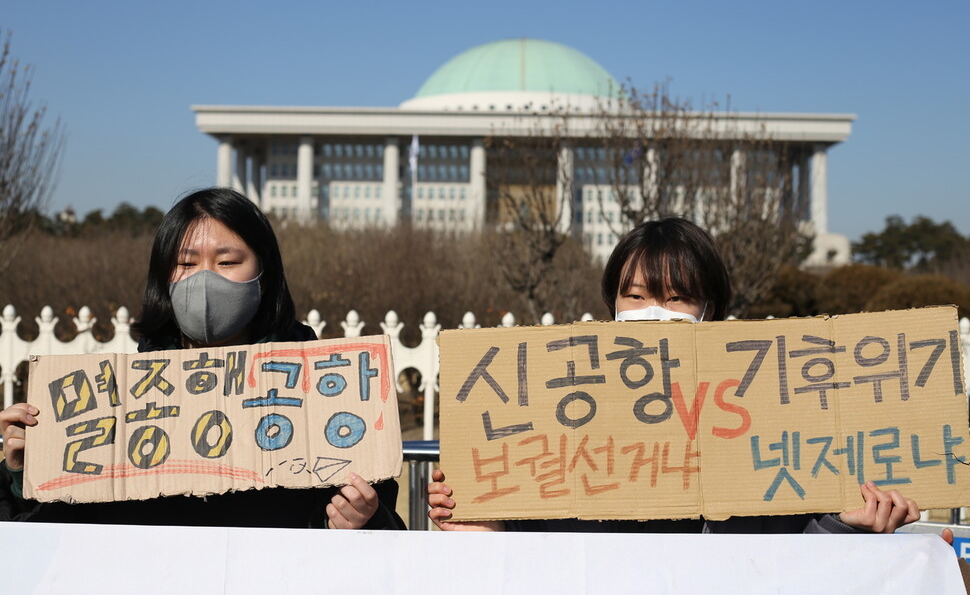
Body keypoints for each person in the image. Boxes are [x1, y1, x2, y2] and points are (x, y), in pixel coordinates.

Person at [428, 216, 920, 534]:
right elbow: (529, 552)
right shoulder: (556, 416)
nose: (653, 313)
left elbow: (788, 552)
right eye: (636, 297)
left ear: (710, 310)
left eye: (676, 298)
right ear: (612, 305)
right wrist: (485, 525)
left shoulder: (764, 421)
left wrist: (846, 525)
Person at [0, 188, 404, 529]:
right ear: (163, 278)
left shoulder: (330, 392)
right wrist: (24, 473)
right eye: (186, 263)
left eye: (227, 262)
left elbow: (387, 534)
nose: (205, 279)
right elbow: (57, 535)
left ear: (265, 271)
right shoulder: (118, 398)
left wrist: (362, 519)